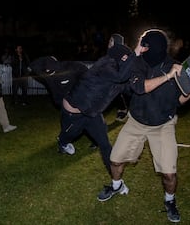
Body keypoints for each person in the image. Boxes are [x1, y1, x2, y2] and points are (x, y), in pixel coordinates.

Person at [97, 29, 190, 223]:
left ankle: (170, 201)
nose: (142, 47)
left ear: (154, 47)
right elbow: (140, 87)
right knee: (115, 161)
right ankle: (116, 186)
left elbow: (181, 99)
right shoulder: (137, 63)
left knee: (169, 173)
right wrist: (167, 76)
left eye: (144, 44)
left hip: (163, 124)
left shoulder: (175, 66)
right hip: (136, 121)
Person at [56, 43, 138, 178]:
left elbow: (129, 88)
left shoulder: (119, 74)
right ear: (117, 57)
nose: (127, 60)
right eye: (125, 57)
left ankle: (116, 182)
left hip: (92, 113)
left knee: (104, 143)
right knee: (69, 135)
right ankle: (62, 142)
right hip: (74, 113)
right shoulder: (104, 66)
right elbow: (119, 77)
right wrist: (136, 53)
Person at [108, 33, 131, 122]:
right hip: (120, 78)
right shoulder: (113, 51)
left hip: (129, 78)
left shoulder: (121, 50)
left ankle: (125, 110)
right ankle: (123, 109)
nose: (109, 42)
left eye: (111, 40)